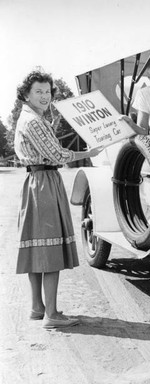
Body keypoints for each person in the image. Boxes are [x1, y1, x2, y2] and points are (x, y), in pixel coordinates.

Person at [14, 70, 102, 329]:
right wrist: (87, 152)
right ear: (26, 95)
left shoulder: (31, 117)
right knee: (50, 249)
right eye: (38, 92)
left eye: (47, 91)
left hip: (36, 181)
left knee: (36, 246)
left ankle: (37, 307)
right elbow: (55, 153)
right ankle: (52, 314)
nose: (44, 96)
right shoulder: (33, 121)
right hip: (44, 183)